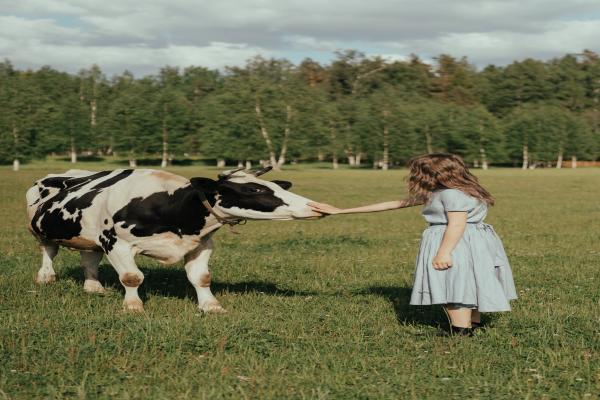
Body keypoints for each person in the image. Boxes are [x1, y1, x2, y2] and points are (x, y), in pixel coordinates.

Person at [309, 153, 517, 336]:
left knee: (451, 283)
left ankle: (461, 331)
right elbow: (396, 204)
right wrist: (340, 210)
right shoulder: (460, 190)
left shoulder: (450, 194)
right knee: (465, 281)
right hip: (472, 240)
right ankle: (472, 323)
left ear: (431, 174)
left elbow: (456, 225)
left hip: (454, 241)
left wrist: (443, 253)